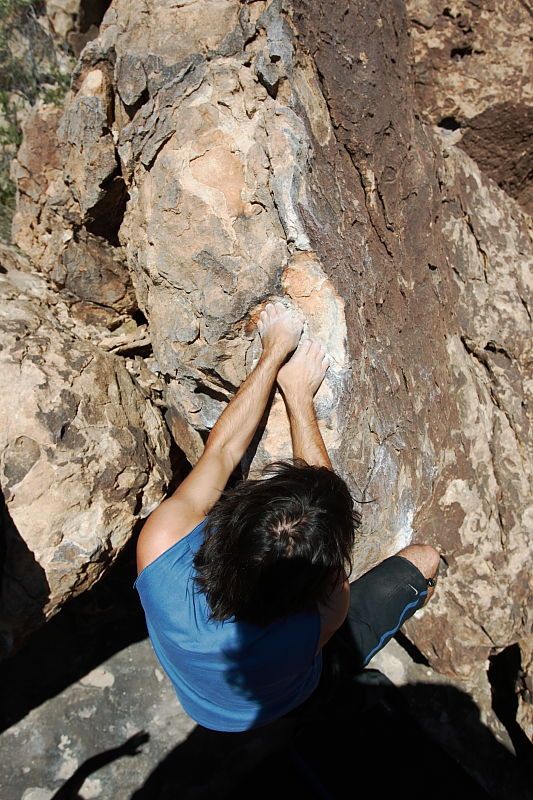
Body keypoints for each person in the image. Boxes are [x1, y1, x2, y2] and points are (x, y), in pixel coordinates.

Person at [134, 301, 440, 732]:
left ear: (238, 513)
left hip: (206, 705)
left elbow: (221, 452)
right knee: (426, 560)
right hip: (289, 695)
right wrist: (298, 397)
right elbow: (329, 508)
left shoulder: (160, 546)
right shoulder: (323, 613)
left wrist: (273, 351)